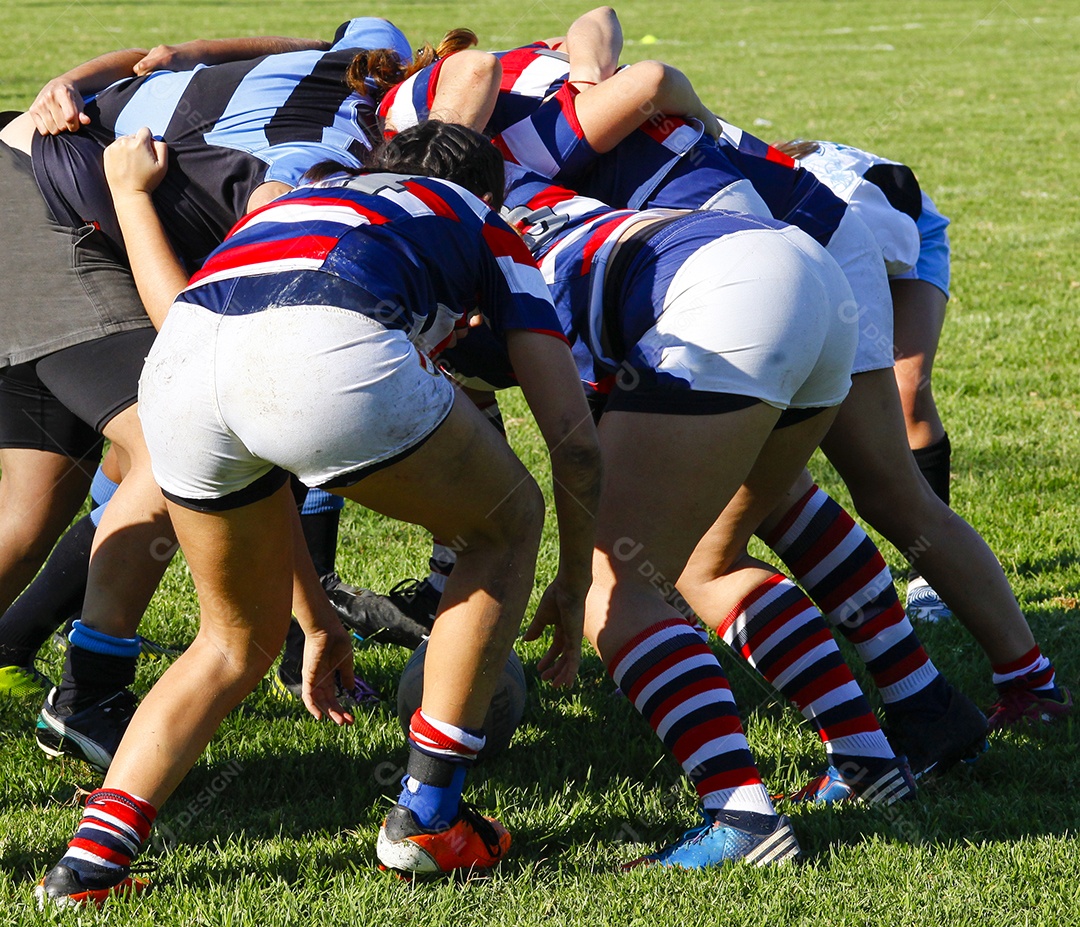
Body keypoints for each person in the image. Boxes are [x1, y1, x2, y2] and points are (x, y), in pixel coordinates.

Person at [36, 121, 601, 907]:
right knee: (507, 519)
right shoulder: (481, 219)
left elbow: (261, 449)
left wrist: (318, 621)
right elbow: (572, 442)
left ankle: (86, 867)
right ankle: (430, 817)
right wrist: (575, 582)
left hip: (181, 360)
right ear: (492, 189)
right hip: (329, 341)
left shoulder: (301, 200)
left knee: (230, 640)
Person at [0, 19, 423, 765]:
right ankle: (89, 695)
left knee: (31, 511)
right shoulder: (309, 169)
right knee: (174, 436)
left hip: (25, 177)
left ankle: (31, 653)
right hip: (42, 209)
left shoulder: (356, 65)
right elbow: (205, 377)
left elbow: (153, 56)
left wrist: (74, 82)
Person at [774, 139, 955, 622]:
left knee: (907, 388)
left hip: (903, 234)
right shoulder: (767, 217)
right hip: (815, 247)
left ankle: (929, 572)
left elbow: (890, 260)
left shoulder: (882, 220)